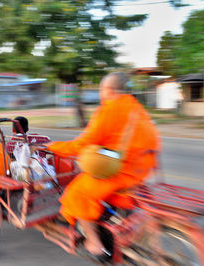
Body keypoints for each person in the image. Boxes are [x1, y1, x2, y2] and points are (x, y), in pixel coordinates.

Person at [41, 72, 160, 260]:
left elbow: (82, 145)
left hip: (122, 171)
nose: (100, 94)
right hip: (144, 169)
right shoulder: (136, 108)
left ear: (108, 90)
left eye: (101, 90)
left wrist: (53, 147)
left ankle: (94, 243)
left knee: (76, 193)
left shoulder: (109, 111)